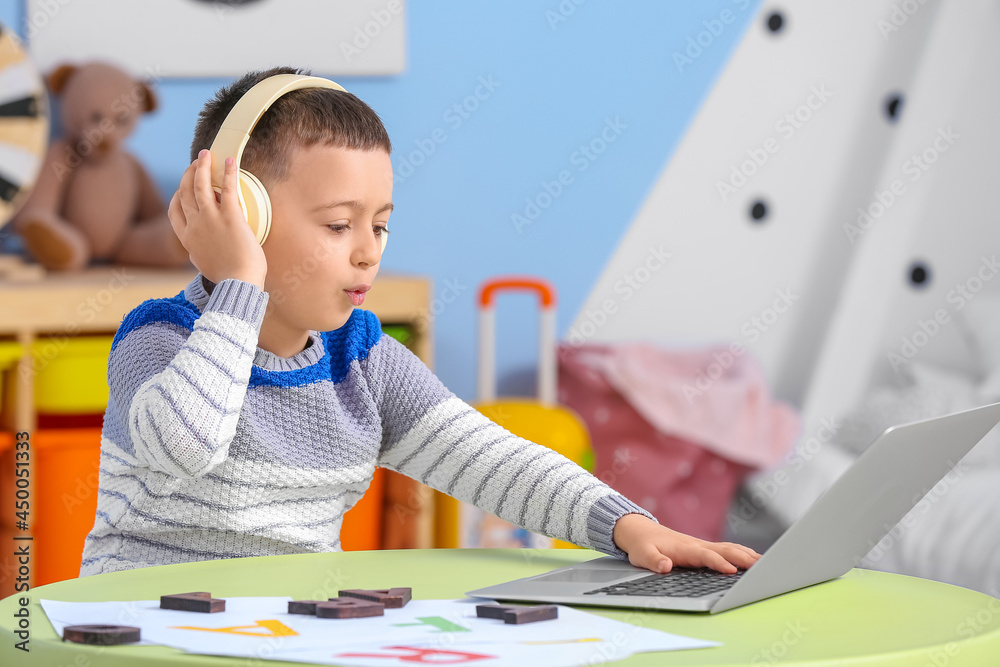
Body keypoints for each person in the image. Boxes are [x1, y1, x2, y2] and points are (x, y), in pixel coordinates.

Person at [79, 66, 761, 578]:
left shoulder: (362, 361)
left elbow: (489, 458)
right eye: (339, 223)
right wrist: (238, 285)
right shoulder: (159, 339)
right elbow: (184, 446)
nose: (368, 248)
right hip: (137, 635)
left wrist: (627, 524)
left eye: (379, 224)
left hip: (281, 634)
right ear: (242, 212)